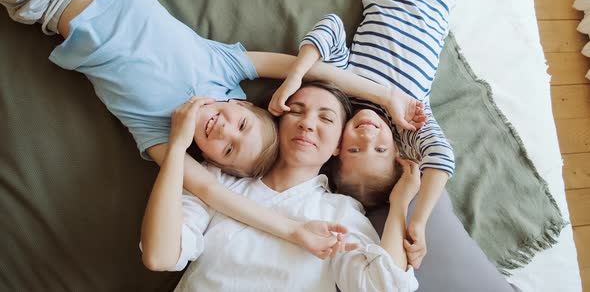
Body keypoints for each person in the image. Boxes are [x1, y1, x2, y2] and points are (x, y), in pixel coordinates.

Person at [0, 0, 427, 258]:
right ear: (240, 100)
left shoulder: (162, 136)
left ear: (206, 159)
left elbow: (211, 192)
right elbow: (318, 72)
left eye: (225, 149)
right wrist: (386, 96)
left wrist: (294, 230)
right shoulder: (223, 68)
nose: (223, 130)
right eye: (241, 123)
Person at [268, 0, 479, 269]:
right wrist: (417, 221)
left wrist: (296, 75)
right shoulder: (410, 120)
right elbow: (442, 158)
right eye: (379, 149)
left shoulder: (345, 90)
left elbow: (331, 26)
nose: (368, 135)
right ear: (397, 153)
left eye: (355, 148)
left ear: (338, 146)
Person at [141, 81, 420, 292]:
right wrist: (178, 148)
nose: (307, 124)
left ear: (338, 145)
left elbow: (384, 286)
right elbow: (159, 256)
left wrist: (399, 205)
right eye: (296, 111)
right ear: (277, 122)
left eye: (326, 118)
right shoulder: (217, 180)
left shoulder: (341, 213)